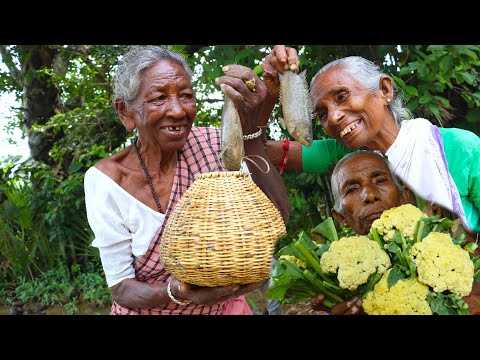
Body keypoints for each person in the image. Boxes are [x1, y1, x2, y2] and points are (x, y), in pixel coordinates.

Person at [83, 45, 290, 315]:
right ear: (125, 111)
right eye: (159, 98)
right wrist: (177, 292)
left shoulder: (215, 145)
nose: (179, 111)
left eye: (186, 96)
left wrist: (249, 128)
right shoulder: (108, 181)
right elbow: (122, 288)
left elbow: (278, 217)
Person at [260, 45, 480, 233]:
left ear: (384, 89)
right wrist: (271, 93)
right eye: (323, 113)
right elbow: (258, 152)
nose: (334, 117)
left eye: (342, 96)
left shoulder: (460, 148)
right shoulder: (347, 155)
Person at [311, 151, 480, 315]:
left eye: (380, 180)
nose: (369, 195)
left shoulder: (454, 251)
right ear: (341, 217)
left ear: (404, 196)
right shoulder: (339, 278)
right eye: (352, 189)